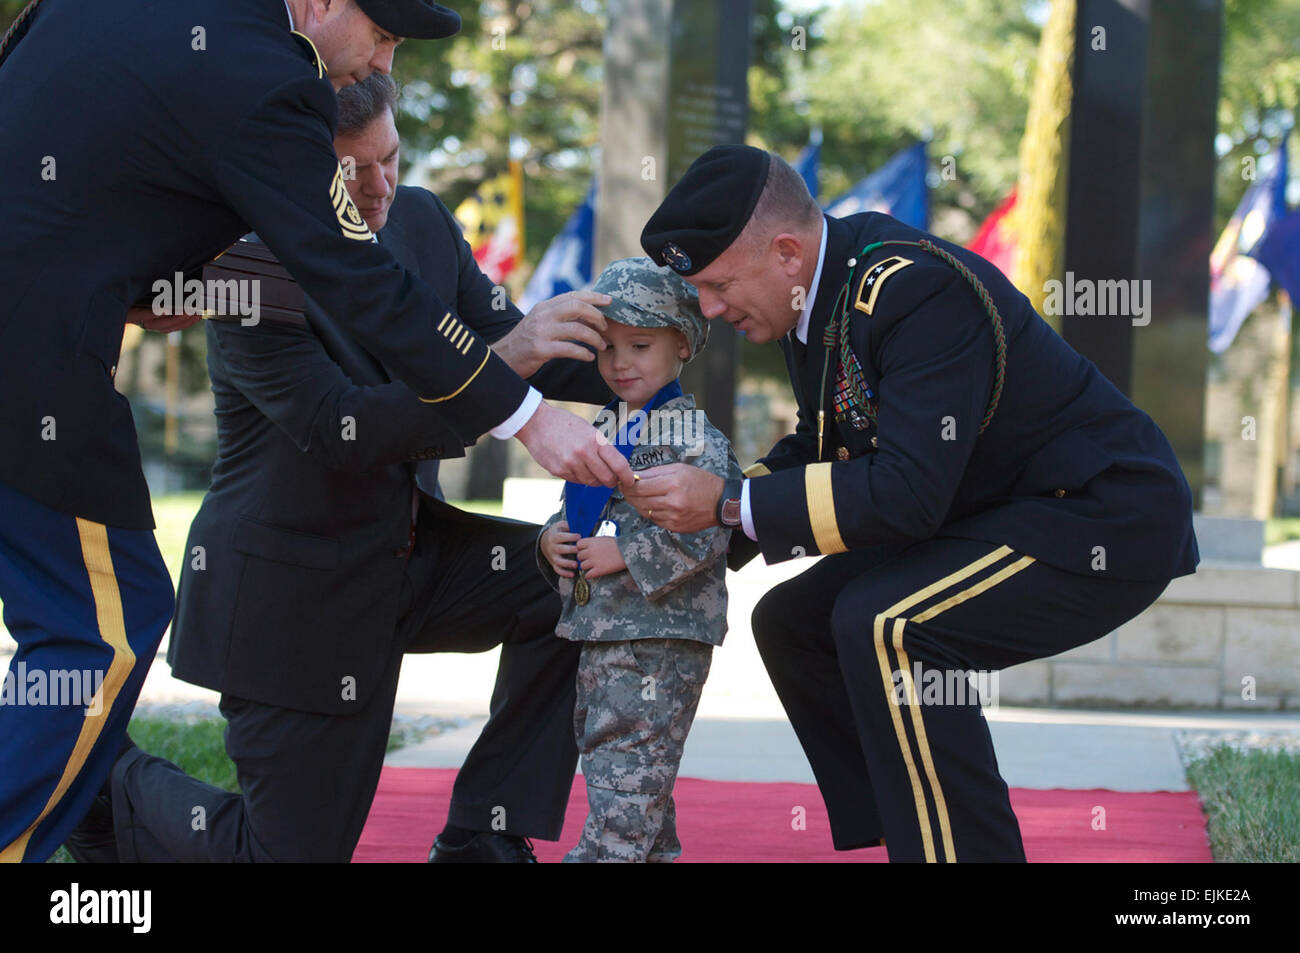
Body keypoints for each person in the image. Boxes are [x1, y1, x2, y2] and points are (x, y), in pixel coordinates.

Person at [0, 0, 627, 864]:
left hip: (413, 559)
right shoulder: (257, 181)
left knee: (576, 583)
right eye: (384, 35)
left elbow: (518, 341)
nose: (380, 64)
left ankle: (486, 837)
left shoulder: (408, 212)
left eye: (392, 161)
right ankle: (98, 793)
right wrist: (524, 410)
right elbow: (349, 394)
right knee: (104, 647)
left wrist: (646, 354)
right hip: (291, 591)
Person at [625, 144, 1199, 862]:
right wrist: (681, 531)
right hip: (994, 510)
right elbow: (826, 440)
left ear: (785, 253)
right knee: (795, 623)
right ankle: (918, 830)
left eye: (716, 286)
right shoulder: (819, 292)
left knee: (889, 624)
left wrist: (728, 503)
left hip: (1098, 514)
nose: (708, 309)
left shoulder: (913, 290)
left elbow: (905, 495)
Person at [538, 258, 742, 863]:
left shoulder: (692, 437)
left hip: (660, 636)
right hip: (605, 630)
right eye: (607, 349)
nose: (620, 363)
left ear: (681, 345)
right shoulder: (609, 425)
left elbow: (711, 527)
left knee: (625, 781)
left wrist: (624, 552)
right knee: (629, 775)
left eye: (640, 345)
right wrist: (553, 538)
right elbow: (581, 506)